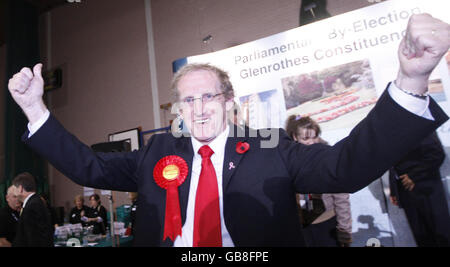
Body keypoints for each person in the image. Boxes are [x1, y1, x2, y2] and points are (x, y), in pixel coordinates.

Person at [7, 14, 450, 246]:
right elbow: (88, 166)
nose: (198, 109)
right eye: (189, 99)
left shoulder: (270, 145)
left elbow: (345, 168)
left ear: (229, 103)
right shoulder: (157, 150)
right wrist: (34, 108)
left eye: (208, 97)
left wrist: (411, 80)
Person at [286, 115, 352, 247]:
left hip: (328, 223)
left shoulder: (327, 156)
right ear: (294, 137)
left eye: (314, 137)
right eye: (305, 138)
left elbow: (341, 196)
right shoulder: (288, 161)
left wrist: (345, 229)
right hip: (303, 226)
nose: (311, 142)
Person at [389, 131, 450, 246]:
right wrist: (394, 189)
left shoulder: (420, 124)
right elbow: (393, 164)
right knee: (421, 237)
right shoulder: (391, 131)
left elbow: (437, 154)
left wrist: (413, 176)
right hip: (406, 192)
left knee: (440, 235)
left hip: (427, 190)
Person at [9, 172, 54, 247]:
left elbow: (32, 239)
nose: (14, 193)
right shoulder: (35, 202)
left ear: (20, 188)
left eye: (14, 189)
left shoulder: (31, 206)